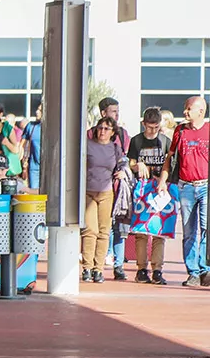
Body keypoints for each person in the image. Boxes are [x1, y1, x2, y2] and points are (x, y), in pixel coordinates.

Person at [157, 96, 209, 288]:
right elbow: (170, 158)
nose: (185, 112)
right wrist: (163, 180)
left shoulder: (208, 130)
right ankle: (193, 272)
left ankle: (205, 269)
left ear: (200, 112)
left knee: (207, 230)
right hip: (185, 186)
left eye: (189, 109)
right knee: (189, 231)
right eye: (185, 109)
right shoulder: (180, 131)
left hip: (205, 186)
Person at [87, 98, 132, 279]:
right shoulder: (88, 137)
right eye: (113, 111)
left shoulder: (121, 138)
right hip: (89, 190)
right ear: (103, 113)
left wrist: (124, 171)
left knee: (113, 229)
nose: (117, 114)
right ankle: (87, 267)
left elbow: (124, 160)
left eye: (117, 111)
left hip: (111, 190)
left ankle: (111, 266)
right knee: (91, 230)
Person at [127, 107, 172, 285]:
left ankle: (157, 269)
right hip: (142, 188)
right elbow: (130, 161)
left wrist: (164, 180)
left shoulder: (165, 141)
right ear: (143, 124)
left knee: (160, 232)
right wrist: (138, 165)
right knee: (141, 231)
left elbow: (169, 162)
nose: (153, 131)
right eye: (149, 127)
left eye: (156, 127)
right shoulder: (137, 141)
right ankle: (141, 268)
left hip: (160, 188)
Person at [21, 104, 43, 190]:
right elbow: (21, 145)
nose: (37, 112)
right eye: (37, 109)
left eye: (40, 110)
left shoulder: (53, 127)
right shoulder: (31, 126)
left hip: (50, 166)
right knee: (34, 192)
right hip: (34, 167)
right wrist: (23, 164)